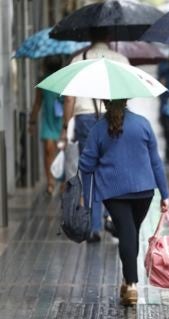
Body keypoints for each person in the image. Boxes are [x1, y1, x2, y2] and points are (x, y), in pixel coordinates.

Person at [79, 99, 169, 306]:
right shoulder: (143, 124)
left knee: (128, 233)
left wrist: (87, 195)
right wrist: (164, 194)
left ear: (104, 102)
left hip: (114, 192)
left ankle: (131, 285)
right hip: (144, 191)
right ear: (126, 100)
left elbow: (86, 164)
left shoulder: (98, 129)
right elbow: (156, 161)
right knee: (131, 232)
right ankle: (127, 281)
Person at [60, 27, 130, 242]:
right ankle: (112, 217)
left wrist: (65, 127)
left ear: (89, 36)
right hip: (113, 118)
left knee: (90, 171)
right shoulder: (121, 59)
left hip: (85, 120)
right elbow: (127, 94)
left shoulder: (78, 60)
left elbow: (70, 99)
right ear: (109, 36)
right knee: (112, 169)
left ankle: (94, 227)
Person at [28, 55, 64, 195]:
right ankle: (50, 181)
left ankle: (62, 180)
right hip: (48, 120)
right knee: (48, 150)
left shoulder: (64, 79)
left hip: (61, 120)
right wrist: (32, 121)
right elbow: (37, 102)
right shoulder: (43, 81)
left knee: (62, 151)